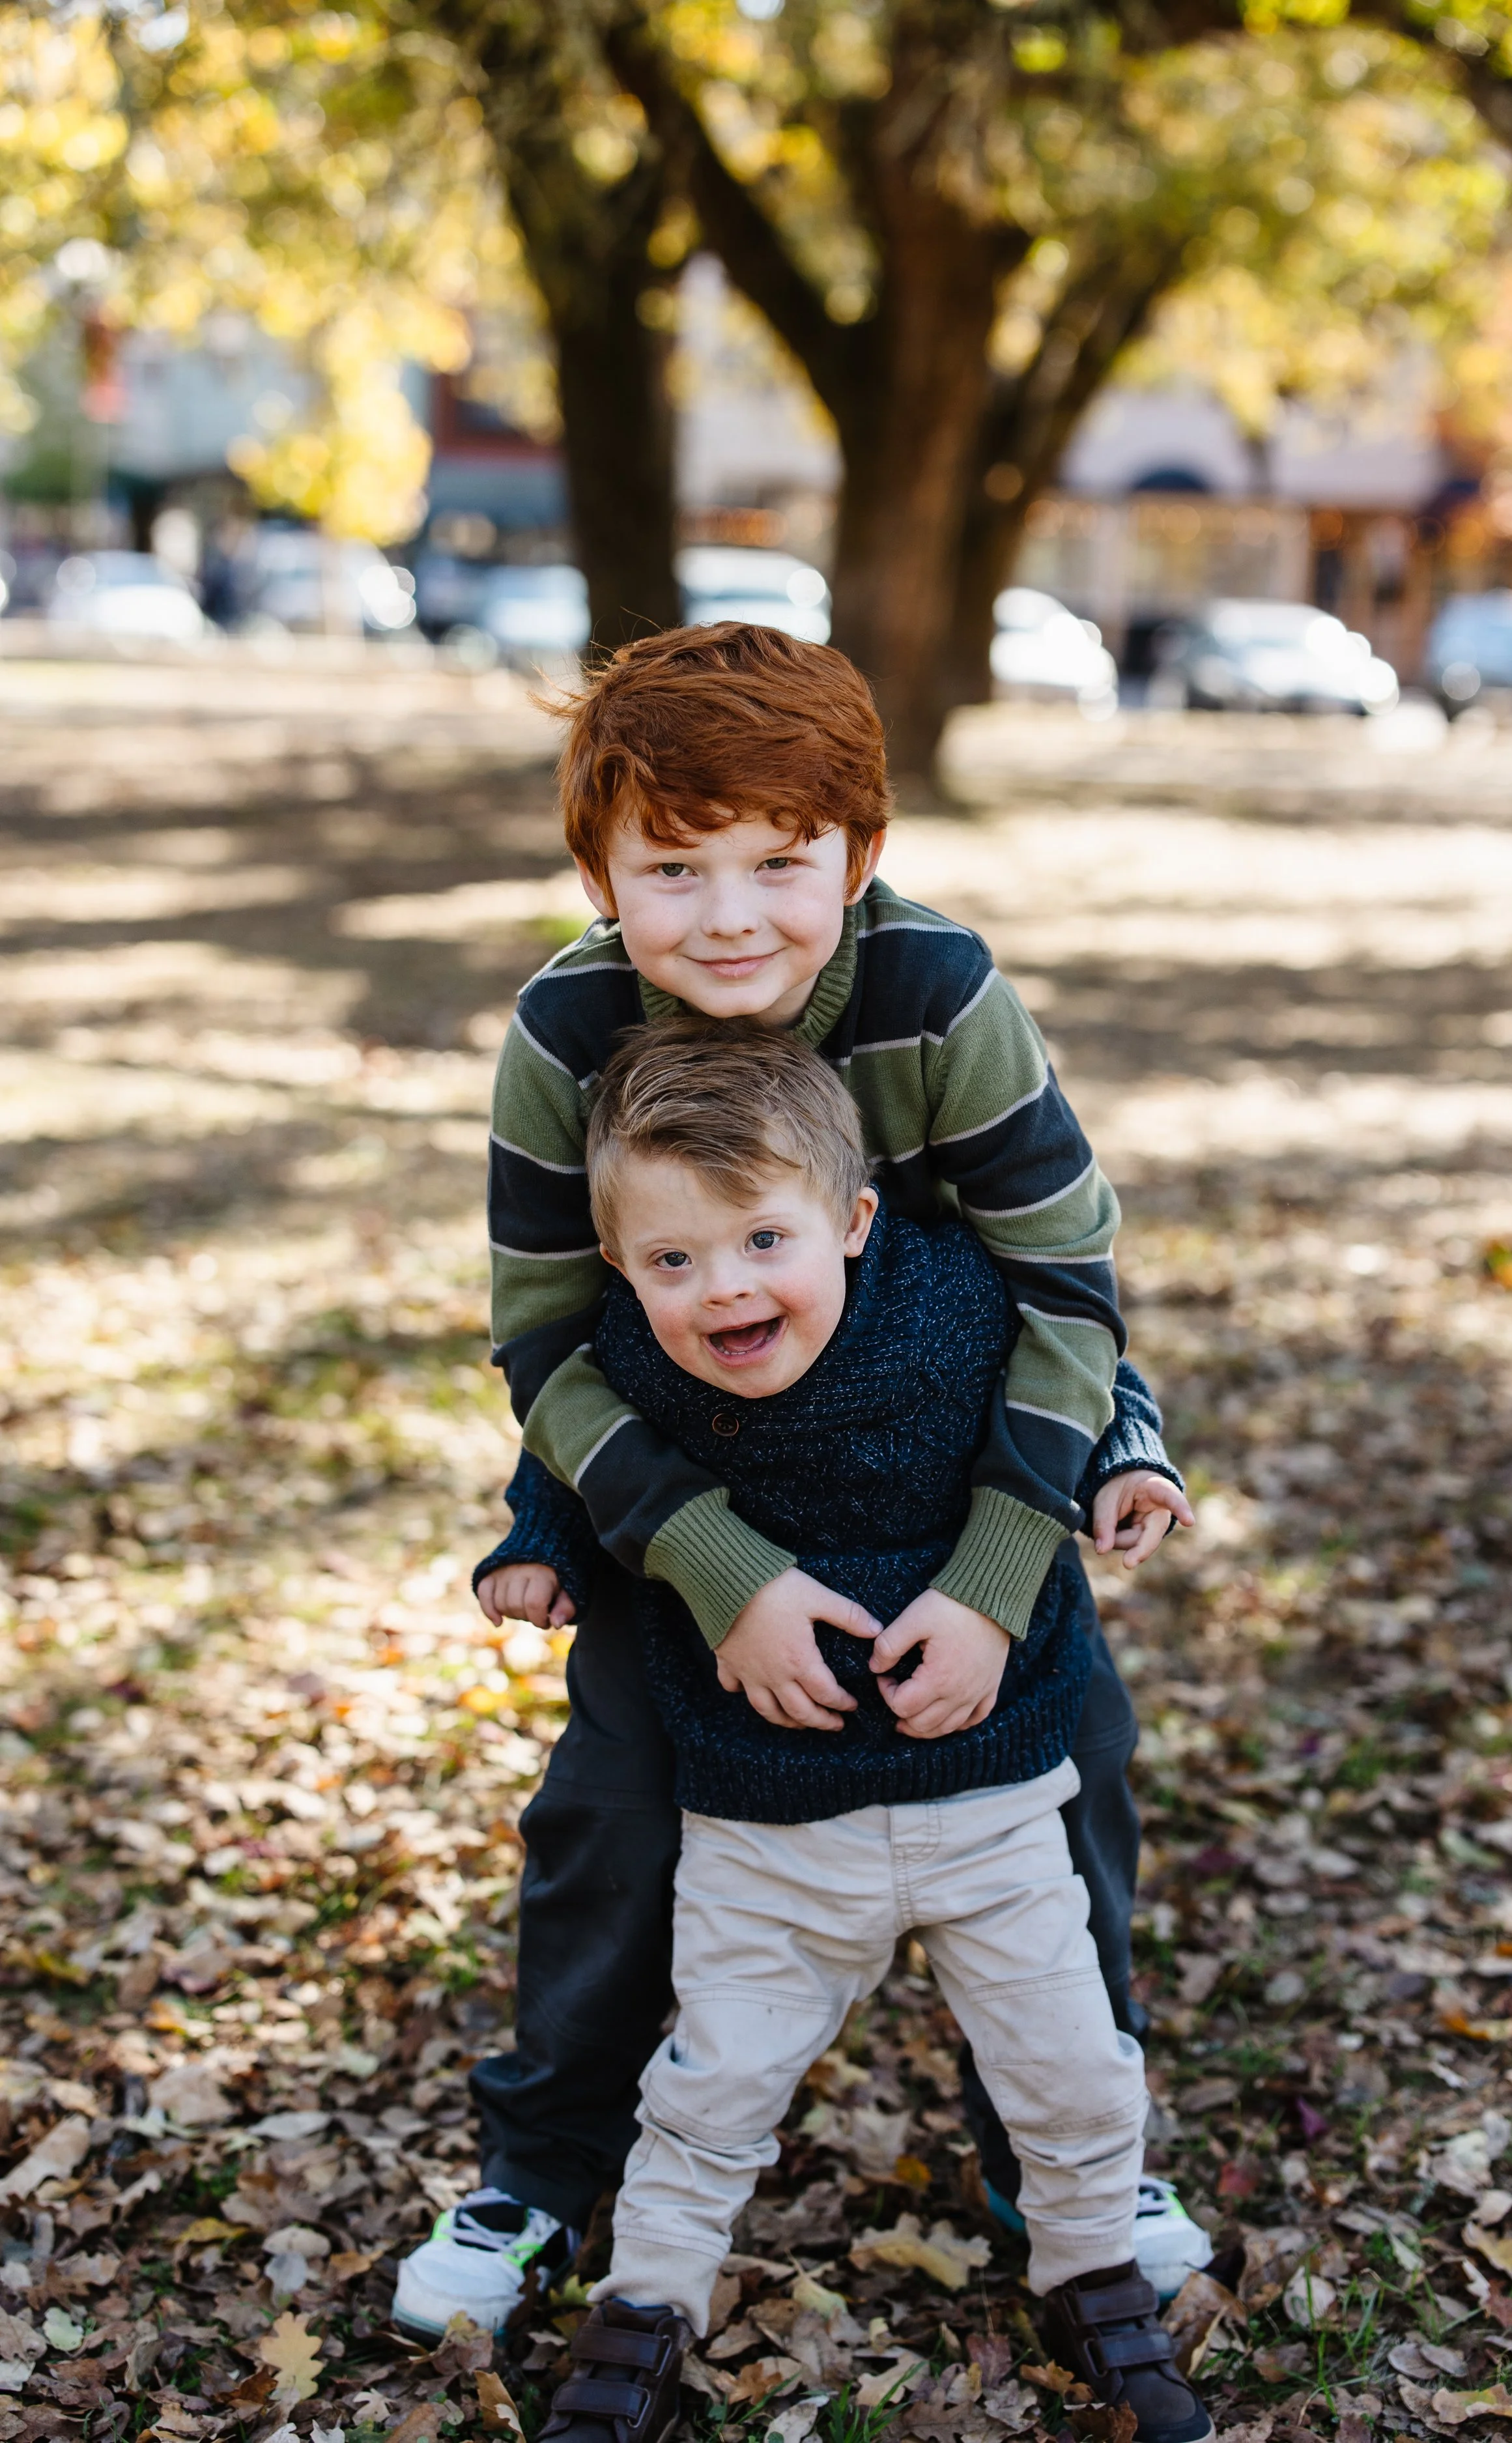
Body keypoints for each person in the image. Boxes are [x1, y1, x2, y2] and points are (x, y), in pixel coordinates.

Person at [390, 623, 1209, 2345]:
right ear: (602, 874)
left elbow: (1064, 1288)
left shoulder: (936, 994)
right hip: (693, 1462)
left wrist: (995, 1575)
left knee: (1077, 1770)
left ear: (861, 855)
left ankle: (1066, 2153)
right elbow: (544, 1336)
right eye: (673, 868)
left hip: (954, 1466)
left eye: (782, 860)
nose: (732, 912)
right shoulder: (568, 1021)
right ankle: (542, 2165)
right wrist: (707, 1563)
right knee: (614, 1800)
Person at [540, 1023, 1212, 2443]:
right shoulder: (638, 1362)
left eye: (762, 1242)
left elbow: (1077, 1353)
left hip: (991, 1795)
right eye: (671, 1262)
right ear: (619, 1265)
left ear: (850, 1222)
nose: (720, 1288)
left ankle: (1091, 2267)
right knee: (712, 2079)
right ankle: (649, 2297)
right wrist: (531, 1545)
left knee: (1070, 2061)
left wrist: (1131, 1455)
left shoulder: (955, 1304)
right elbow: (567, 1449)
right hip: (766, 1814)